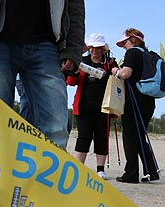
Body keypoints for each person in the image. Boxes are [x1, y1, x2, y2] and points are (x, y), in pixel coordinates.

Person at [0, 0, 85, 150]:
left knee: (56, 127)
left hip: (46, 43)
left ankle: (50, 174)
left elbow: (75, 7)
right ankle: (0, 173)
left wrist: (73, 49)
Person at [66, 33, 118, 180]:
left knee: (102, 136)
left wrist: (107, 74)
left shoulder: (110, 63)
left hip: (104, 106)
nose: (95, 51)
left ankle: (100, 170)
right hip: (83, 105)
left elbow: (118, 83)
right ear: (89, 47)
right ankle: (78, 168)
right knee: (84, 136)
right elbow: (70, 82)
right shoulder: (82, 61)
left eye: (99, 48)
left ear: (103, 48)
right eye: (93, 47)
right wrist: (74, 73)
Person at [111, 28, 159, 183]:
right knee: (139, 136)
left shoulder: (132, 53)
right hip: (148, 101)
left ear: (131, 39)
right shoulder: (149, 54)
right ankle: (151, 171)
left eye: (124, 42)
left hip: (134, 101)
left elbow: (125, 74)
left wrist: (115, 71)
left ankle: (131, 174)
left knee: (130, 137)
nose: (124, 46)